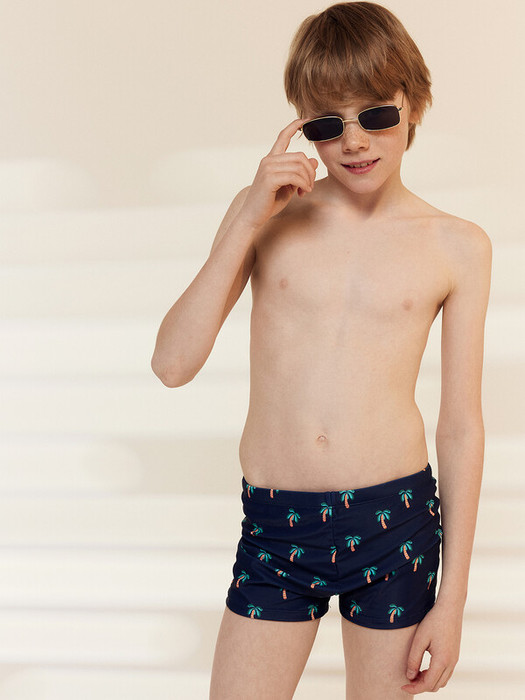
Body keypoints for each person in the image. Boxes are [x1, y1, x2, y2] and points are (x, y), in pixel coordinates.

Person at [151, 2, 492, 697]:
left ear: (412, 104)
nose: (354, 141)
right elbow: (172, 364)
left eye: (376, 115)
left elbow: (460, 425)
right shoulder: (268, 214)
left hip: (394, 524)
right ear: (301, 126)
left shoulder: (457, 245)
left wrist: (452, 599)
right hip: (277, 526)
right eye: (326, 124)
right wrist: (248, 217)